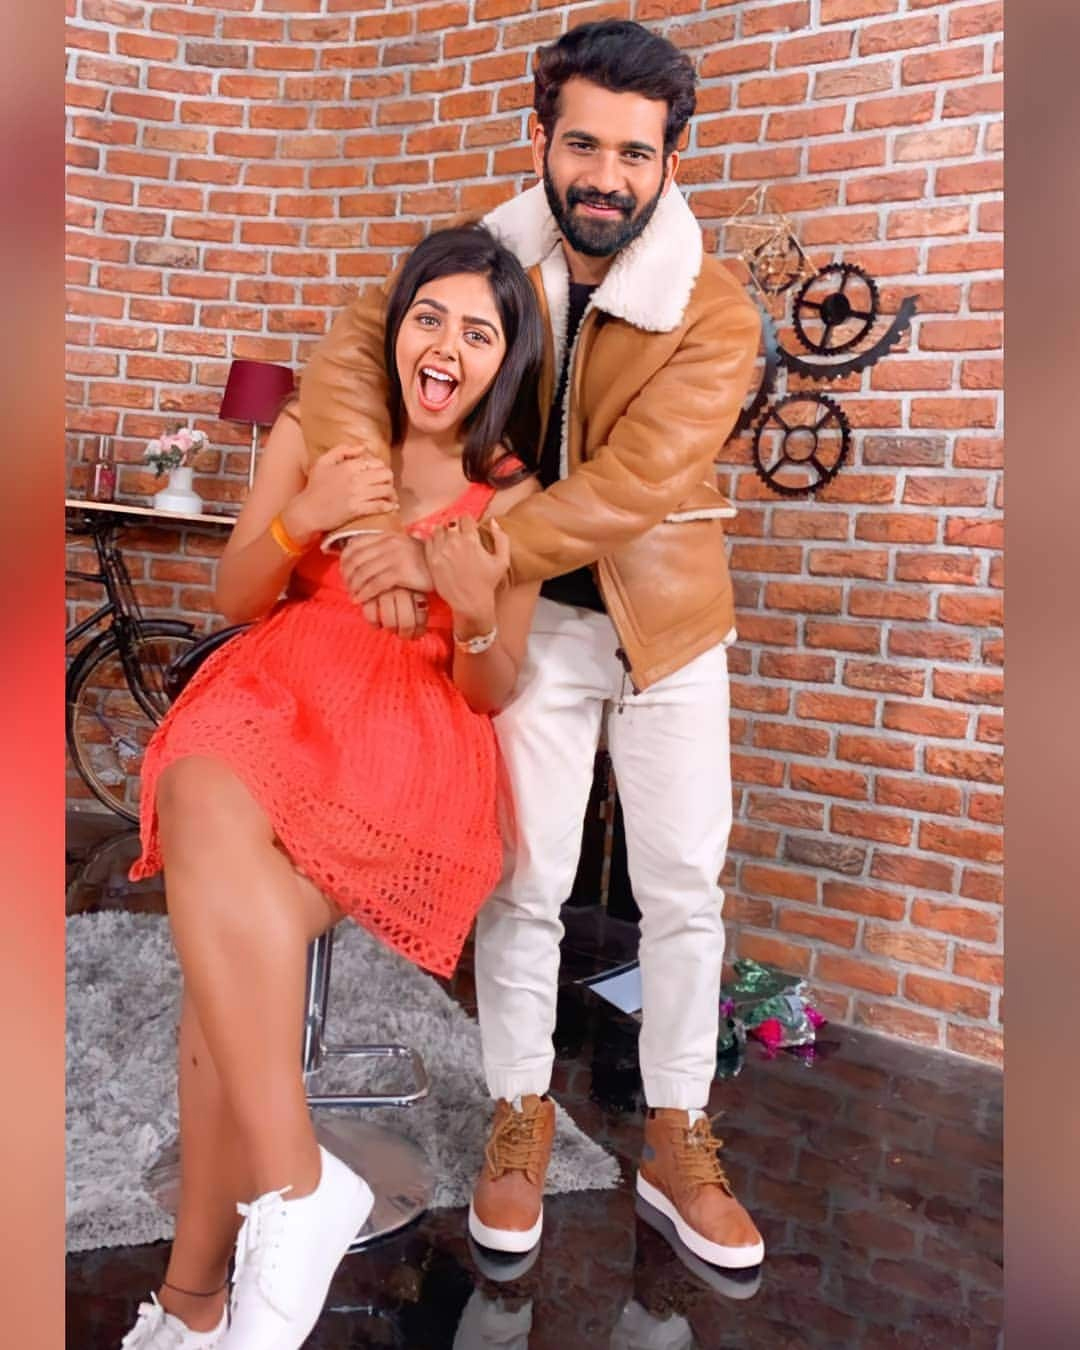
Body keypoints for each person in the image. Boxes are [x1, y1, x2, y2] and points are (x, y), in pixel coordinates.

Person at [300, 20, 766, 1272]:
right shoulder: (485, 258)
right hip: (530, 624)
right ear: (543, 139)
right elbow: (349, 351)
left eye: (635, 152)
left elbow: (634, 484)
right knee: (525, 884)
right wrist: (374, 513)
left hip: (669, 630)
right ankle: (520, 1114)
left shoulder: (715, 311)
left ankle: (678, 1135)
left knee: (683, 891)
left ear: (670, 161)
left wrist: (455, 551)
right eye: (583, 145)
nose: (606, 176)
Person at [118, 224, 544, 1350]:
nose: (446, 346)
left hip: (402, 736)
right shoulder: (322, 429)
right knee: (199, 791)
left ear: (505, 360)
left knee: (224, 970)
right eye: (429, 317)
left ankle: (198, 1297)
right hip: (272, 696)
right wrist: (301, 518)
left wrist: (473, 605)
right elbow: (236, 594)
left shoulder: (510, 494)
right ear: (396, 327)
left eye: (479, 332)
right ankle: (285, 1201)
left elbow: (491, 686)